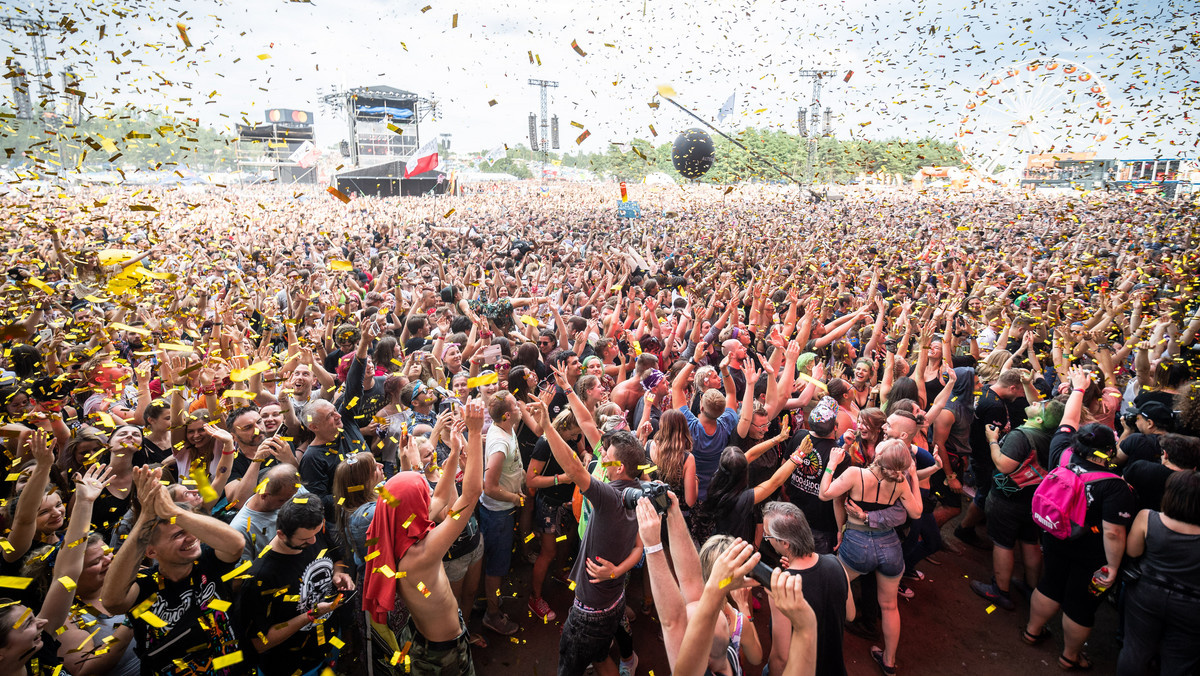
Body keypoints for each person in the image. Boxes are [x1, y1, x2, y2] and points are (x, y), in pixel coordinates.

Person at [1022, 369, 1136, 672]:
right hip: (1090, 551)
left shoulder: (1061, 452)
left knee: (1050, 584)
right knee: (1079, 603)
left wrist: (1078, 389)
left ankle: (1032, 631)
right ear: (1110, 450)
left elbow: (1067, 421)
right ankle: (1070, 655)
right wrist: (1112, 567)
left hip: (1055, 533)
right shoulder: (1115, 485)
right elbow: (1113, 534)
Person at [361, 399, 485, 675]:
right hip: (443, 651)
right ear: (416, 507)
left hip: (422, 633)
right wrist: (474, 435)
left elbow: (439, 496)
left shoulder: (394, 527)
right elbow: (471, 493)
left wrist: (452, 453)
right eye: (423, 495)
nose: (430, 496)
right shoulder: (421, 554)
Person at [530, 396, 644, 676]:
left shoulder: (609, 497)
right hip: (615, 597)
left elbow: (573, 468)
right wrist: (617, 572)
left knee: (570, 666)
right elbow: (640, 546)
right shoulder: (641, 490)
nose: (601, 456)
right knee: (602, 656)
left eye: (607, 456)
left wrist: (547, 426)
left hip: (591, 610)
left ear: (619, 468)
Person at [101, 466, 248, 676]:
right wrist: (146, 516)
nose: (191, 538)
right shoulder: (144, 585)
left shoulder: (208, 561)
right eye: (178, 534)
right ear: (151, 551)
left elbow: (236, 545)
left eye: (192, 530)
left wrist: (174, 512)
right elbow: (112, 602)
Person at [819, 439, 923, 674]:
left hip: (857, 544)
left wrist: (831, 464)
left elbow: (825, 494)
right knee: (889, 606)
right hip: (890, 547)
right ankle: (889, 661)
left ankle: (820, 647)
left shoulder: (856, 474)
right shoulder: (901, 482)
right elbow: (916, 512)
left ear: (880, 455)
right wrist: (914, 477)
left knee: (831, 591)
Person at [238, 497, 355, 675]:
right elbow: (259, 644)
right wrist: (311, 615)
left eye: (316, 534)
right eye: (305, 539)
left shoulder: (312, 530)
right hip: (292, 666)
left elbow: (336, 558)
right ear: (281, 534)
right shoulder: (260, 578)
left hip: (329, 644)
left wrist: (338, 573)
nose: (314, 542)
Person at [971, 399, 1066, 610]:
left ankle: (1000, 591)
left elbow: (1003, 465)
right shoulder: (1054, 436)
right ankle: (1030, 587)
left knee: (1003, 543)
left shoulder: (1021, 436)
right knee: (1030, 540)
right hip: (1034, 499)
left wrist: (993, 440)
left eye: (1040, 404)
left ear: (1039, 418)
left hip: (1008, 499)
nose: (1035, 401)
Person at [1116, 470, 1200, 675]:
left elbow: (1132, 551)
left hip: (1146, 592)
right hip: (1192, 605)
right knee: (1180, 661)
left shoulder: (1147, 517)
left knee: (1135, 649)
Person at [761, 501, 852, 676]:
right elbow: (850, 614)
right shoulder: (836, 563)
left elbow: (781, 658)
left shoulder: (781, 588)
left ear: (785, 543)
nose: (768, 540)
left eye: (767, 536)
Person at [478, 391, 526, 635]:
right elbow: (490, 487)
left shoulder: (508, 428)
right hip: (498, 514)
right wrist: (515, 498)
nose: (520, 407)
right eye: (516, 405)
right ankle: (492, 615)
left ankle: (491, 600)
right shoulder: (499, 445)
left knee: (498, 563)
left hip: (505, 512)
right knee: (496, 567)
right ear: (507, 415)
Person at [228, 463, 305, 562]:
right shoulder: (241, 528)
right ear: (264, 495)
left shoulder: (290, 490)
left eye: (292, 497)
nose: (289, 503)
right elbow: (245, 573)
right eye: (282, 500)